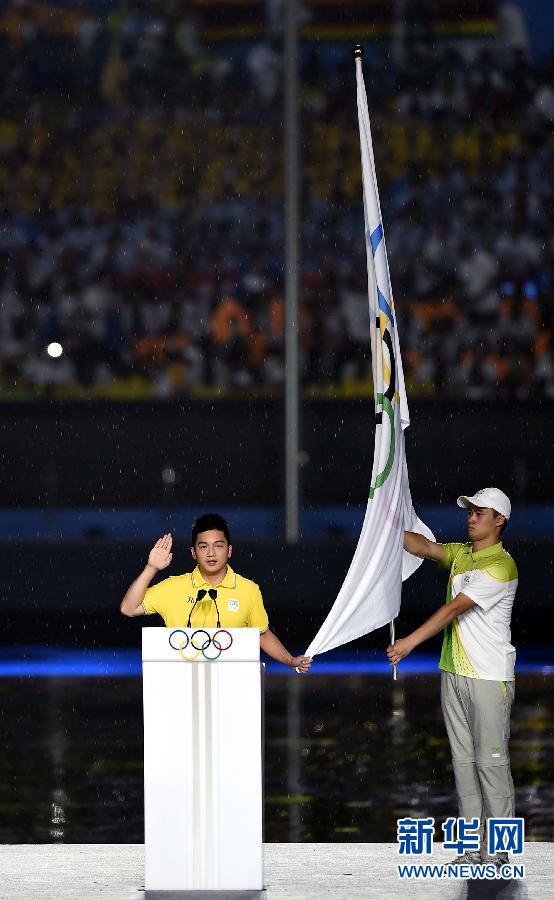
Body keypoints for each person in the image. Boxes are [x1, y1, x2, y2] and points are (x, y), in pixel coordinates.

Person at [386, 488, 517, 870]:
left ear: (499, 520)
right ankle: (475, 848)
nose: (471, 517)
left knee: (491, 764)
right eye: (470, 511)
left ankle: (500, 849)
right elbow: (423, 547)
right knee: (463, 762)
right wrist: (388, 524)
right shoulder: (462, 554)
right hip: (454, 671)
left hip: (489, 676)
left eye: (480, 512)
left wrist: (409, 641)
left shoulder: (502, 565)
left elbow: (453, 610)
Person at [120, 512, 312, 673]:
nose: (211, 553)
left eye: (218, 546)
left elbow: (261, 634)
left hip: (231, 689)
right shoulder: (173, 587)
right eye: (203, 547)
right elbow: (129, 608)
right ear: (193, 552)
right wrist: (151, 567)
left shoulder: (248, 590)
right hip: (179, 687)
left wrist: (290, 660)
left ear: (229, 550)